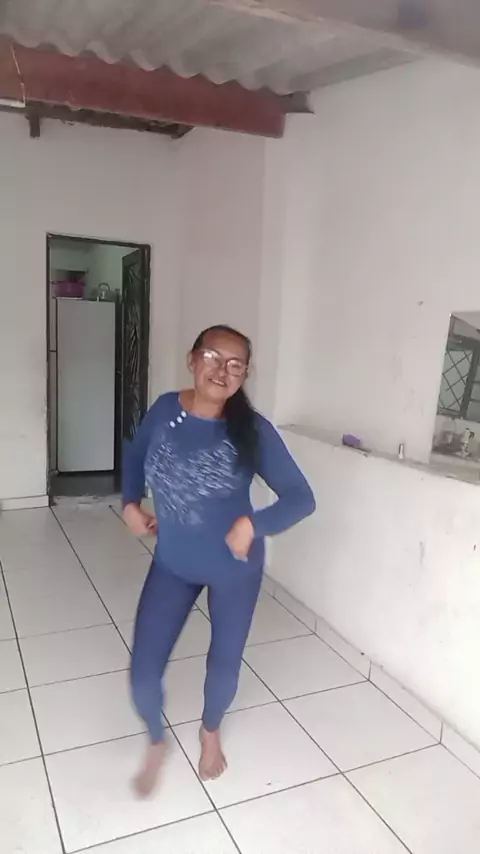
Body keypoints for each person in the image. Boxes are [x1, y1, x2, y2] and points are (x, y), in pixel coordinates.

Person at [122, 324, 315, 796]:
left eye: (235, 365)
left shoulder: (252, 430)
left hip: (234, 567)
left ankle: (210, 731)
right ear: (193, 359)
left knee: (224, 665)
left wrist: (254, 524)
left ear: (244, 375)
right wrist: (129, 503)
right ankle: (156, 740)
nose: (222, 370)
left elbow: (301, 497)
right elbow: (135, 454)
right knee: (143, 674)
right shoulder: (165, 409)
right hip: (173, 562)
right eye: (212, 356)